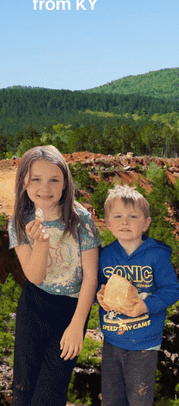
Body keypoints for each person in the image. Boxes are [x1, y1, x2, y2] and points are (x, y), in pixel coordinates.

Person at [9, 144, 100, 406]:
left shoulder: (80, 218)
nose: (44, 188)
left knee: (49, 395)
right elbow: (35, 277)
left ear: (65, 183)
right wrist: (41, 243)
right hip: (33, 307)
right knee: (23, 393)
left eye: (53, 180)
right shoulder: (19, 220)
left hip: (69, 312)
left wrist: (76, 327)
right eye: (35, 179)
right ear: (23, 181)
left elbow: (91, 277)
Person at [96, 185, 179, 406]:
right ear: (107, 222)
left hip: (144, 344)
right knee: (112, 400)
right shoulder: (105, 256)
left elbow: (172, 290)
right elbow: (99, 287)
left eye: (133, 216)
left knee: (139, 400)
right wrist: (101, 295)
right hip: (112, 341)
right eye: (118, 216)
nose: (125, 222)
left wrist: (146, 306)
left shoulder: (156, 256)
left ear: (146, 223)